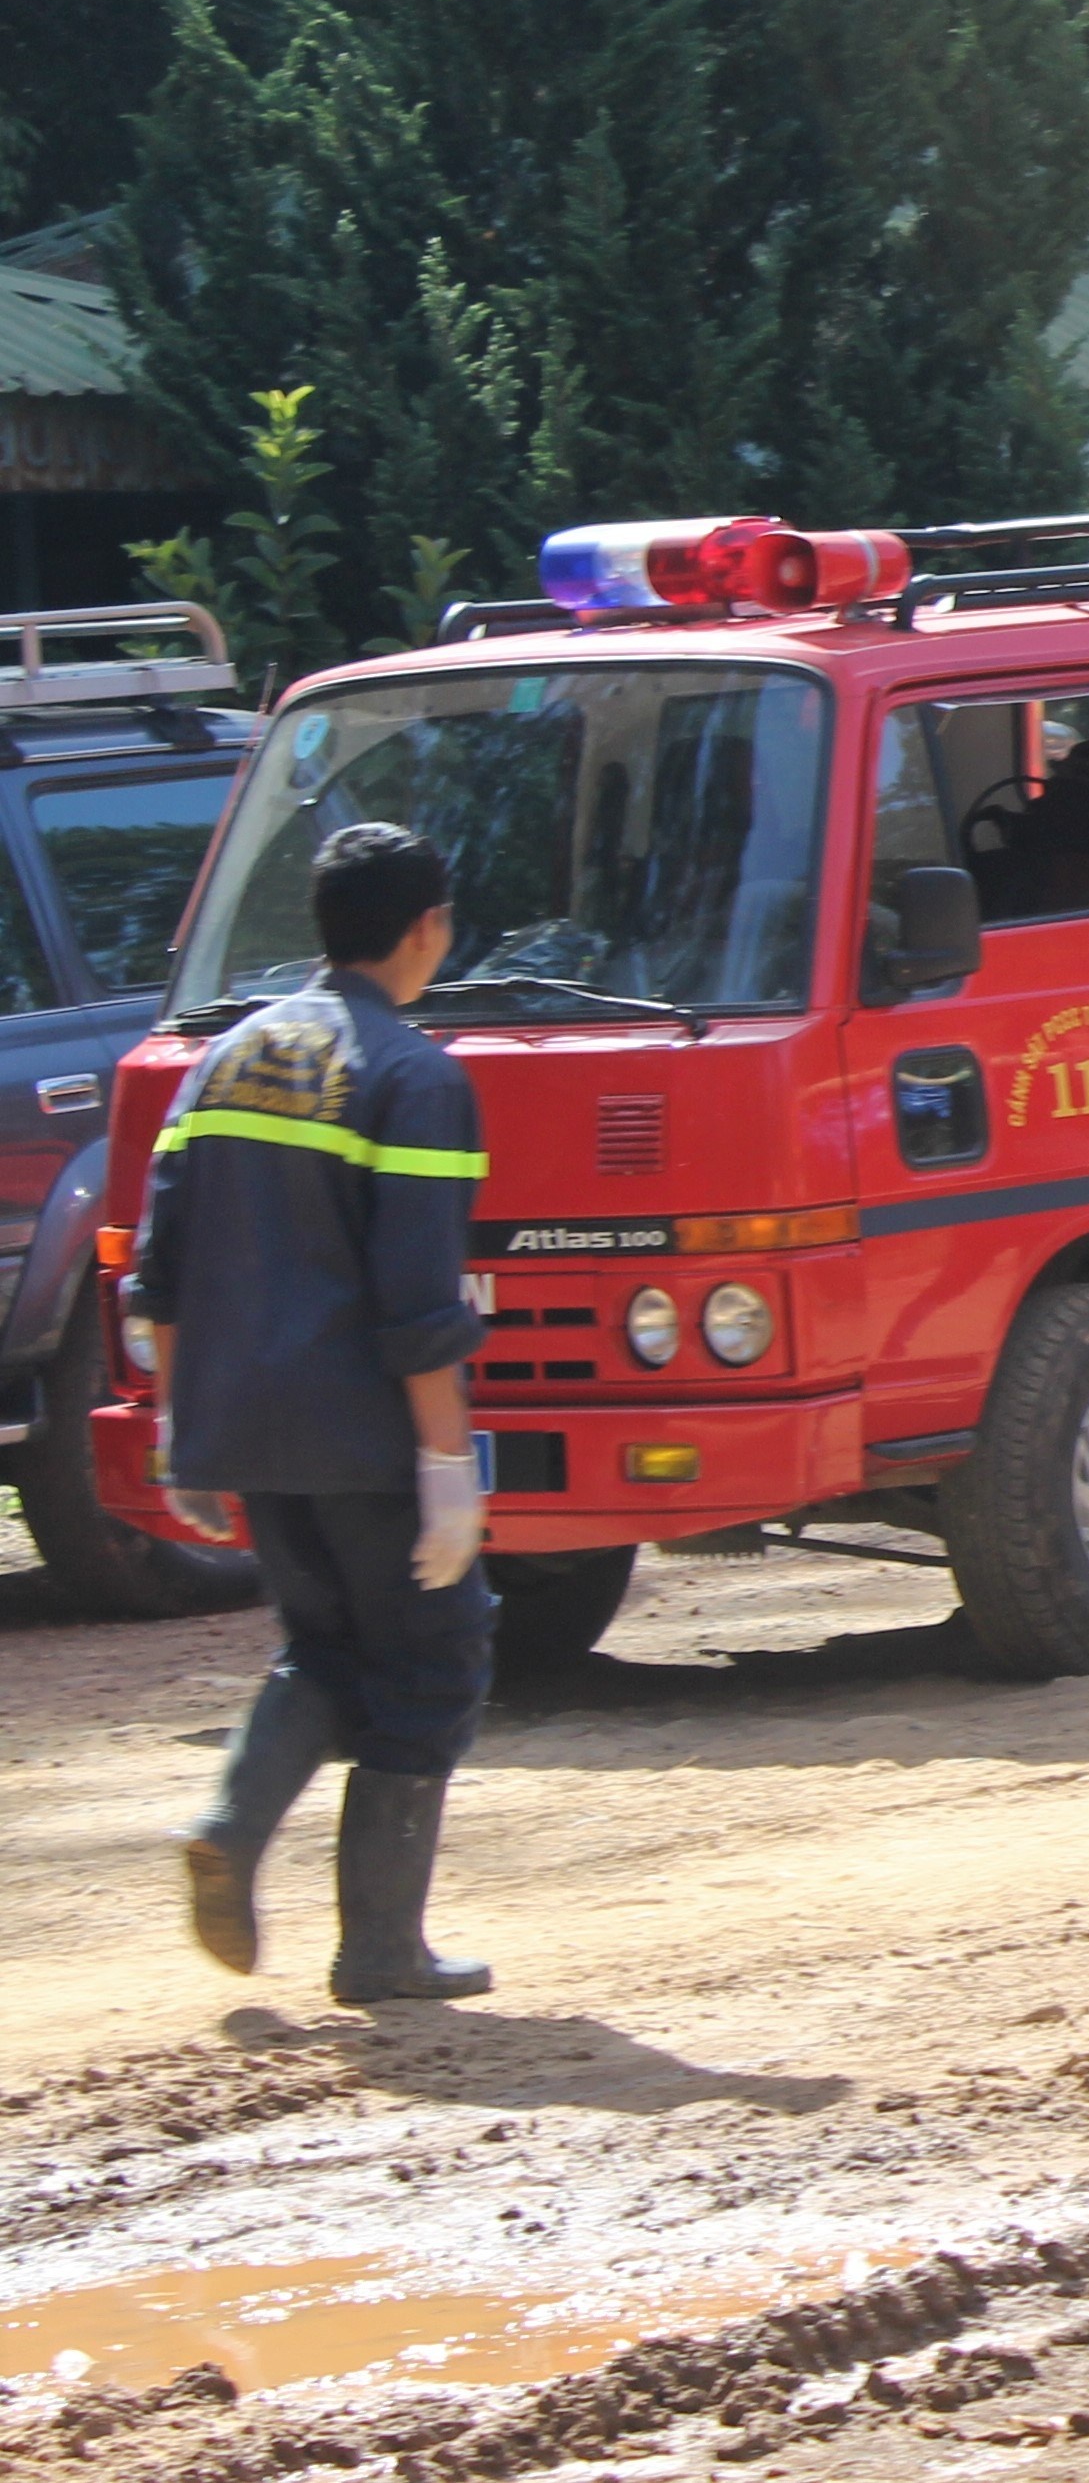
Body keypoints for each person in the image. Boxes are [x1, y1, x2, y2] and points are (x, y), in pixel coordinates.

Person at [137, 822, 496, 2002]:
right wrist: (447, 1470)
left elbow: (162, 1268)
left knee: (325, 1648)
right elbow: (417, 1308)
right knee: (431, 1663)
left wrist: (174, 1423)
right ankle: (382, 1948)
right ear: (425, 929)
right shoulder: (413, 1074)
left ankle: (234, 1828)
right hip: (364, 1435)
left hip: (243, 1422)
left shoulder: (224, 1059)